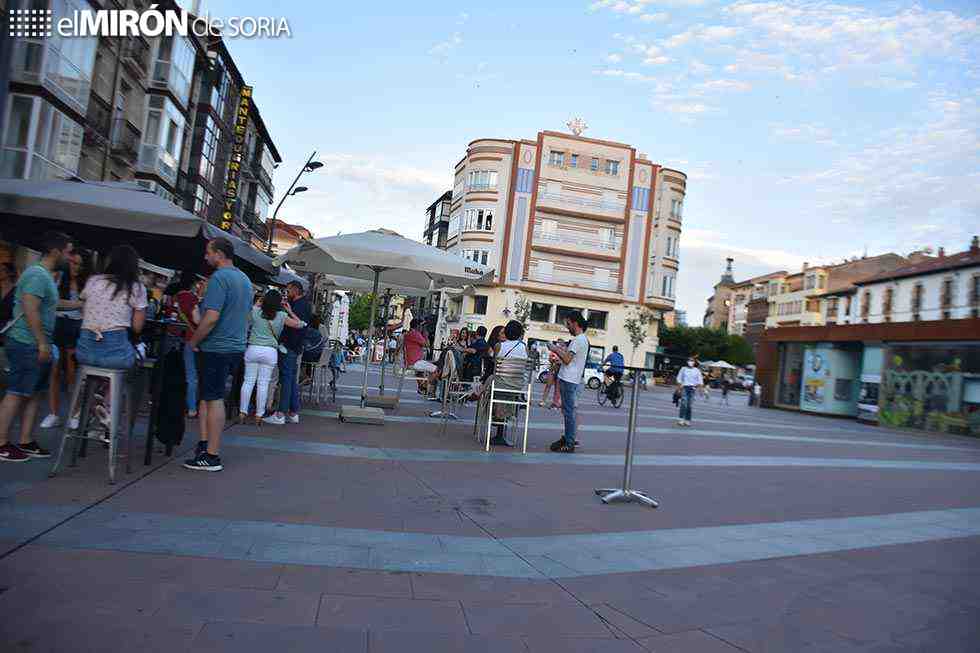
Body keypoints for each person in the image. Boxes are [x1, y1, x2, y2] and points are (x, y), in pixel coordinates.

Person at [0, 232, 81, 462]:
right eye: (68, 251)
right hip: (27, 342)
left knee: (34, 393)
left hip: (34, 342)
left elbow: (52, 304)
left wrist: (81, 303)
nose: (70, 257)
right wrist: (42, 342)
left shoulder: (45, 276)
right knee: (16, 392)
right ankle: (1, 442)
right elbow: (30, 308)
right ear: (56, 251)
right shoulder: (37, 274)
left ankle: (26, 440)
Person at [183, 238, 252, 472]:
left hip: (216, 347)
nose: (205, 257)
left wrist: (194, 340)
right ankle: (204, 445)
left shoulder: (219, 279)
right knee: (207, 396)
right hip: (235, 346)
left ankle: (212, 455)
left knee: (213, 399)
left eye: (208, 253)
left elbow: (211, 318)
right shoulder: (244, 279)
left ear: (219, 254)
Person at [40, 249, 91, 429]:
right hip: (57, 326)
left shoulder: (86, 283)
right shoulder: (57, 278)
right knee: (54, 372)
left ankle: (74, 412)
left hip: (76, 329)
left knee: (72, 374)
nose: (75, 267)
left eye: (79, 264)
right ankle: (54, 413)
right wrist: (79, 304)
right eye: (73, 262)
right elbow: (53, 302)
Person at [239, 289, 304, 425]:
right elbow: (300, 324)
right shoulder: (281, 315)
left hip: (253, 349)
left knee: (248, 381)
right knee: (263, 383)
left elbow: (245, 320)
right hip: (270, 352)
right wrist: (290, 311)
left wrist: (256, 305)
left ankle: (242, 412)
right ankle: (259, 415)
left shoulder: (256, 312)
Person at [264, 281, 312, 426]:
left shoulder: (297, 306)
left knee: (286, 380)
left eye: (288, 289)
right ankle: (293, 412)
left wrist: (285, 344)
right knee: (290, 380)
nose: (286, 292)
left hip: (289, 347)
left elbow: (299, 326)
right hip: (295, 347)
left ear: (296, 290)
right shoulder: (305, 304)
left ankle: (280, 413)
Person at [548, 311, 589, 453]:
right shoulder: (581, 340)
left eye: (568, 324)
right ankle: (566, 438)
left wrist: (554, 348)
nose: (567, 328)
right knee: (567, 411)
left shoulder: (579, 340)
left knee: (569, 412)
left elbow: (567, 359)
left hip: (570, 380)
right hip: (569, 378)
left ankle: (569, 442)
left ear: (575, 323)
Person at [173, 272, 204, 417]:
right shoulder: (191, 298)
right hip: (191, 338)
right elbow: (197, 320)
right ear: (192, 284)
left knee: (177, 372)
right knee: (192, 376)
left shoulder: (175, 297)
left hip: (173, 337)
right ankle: (192, 408)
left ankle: (176, 402)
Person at [676, 357, 704, 427]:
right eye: (689, 360)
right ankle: (681, 419)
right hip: (684, 388)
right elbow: (679, 378)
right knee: (684, 403)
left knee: (689, 405)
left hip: (692, 389)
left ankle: (687, 420)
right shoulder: (683, 369)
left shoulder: (697, 370)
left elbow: (700, 380)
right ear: (687, 361)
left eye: (692, 361)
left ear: (694, 362)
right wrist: (679, 388)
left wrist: (701, 389)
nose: (690, 362)